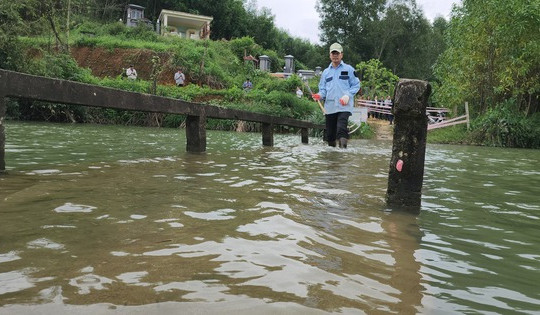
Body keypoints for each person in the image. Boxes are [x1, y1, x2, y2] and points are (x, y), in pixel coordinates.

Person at [312, 43, 360, 148]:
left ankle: (343, 154)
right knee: (330, 135)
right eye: (333, 53)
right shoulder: (325, 72)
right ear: (330, 55)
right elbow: (323, 90)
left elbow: (356, 85)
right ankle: (333, 159)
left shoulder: (349, 69)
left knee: (341, 129)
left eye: (337, 53)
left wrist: (348, 95)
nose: (335, 55)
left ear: (341, 55)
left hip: (344, 106)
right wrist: (319, 96)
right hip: (330, 108)